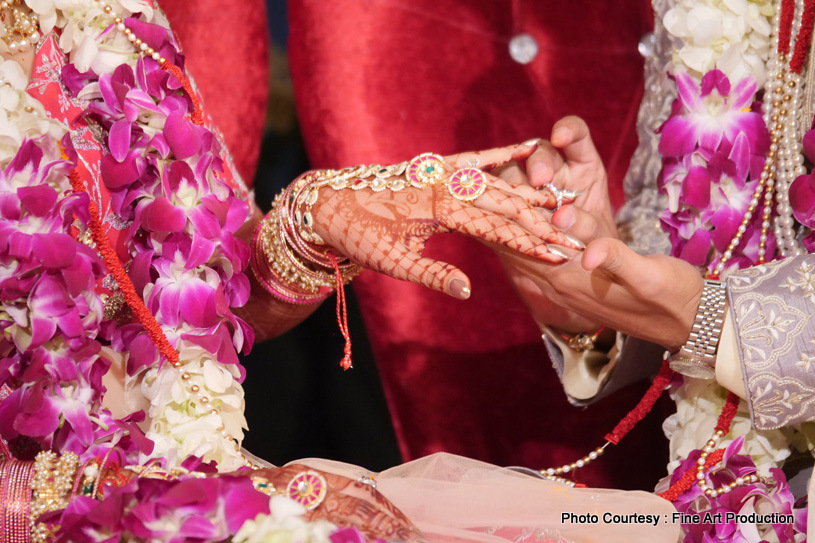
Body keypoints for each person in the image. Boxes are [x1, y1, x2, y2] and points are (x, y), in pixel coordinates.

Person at [0, 1, 679, 542]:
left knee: (623, 529)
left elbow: (207, 302)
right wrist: (193, 498)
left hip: (179, 475)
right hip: (91, 506)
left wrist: (315, 221)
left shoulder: (110, 20)